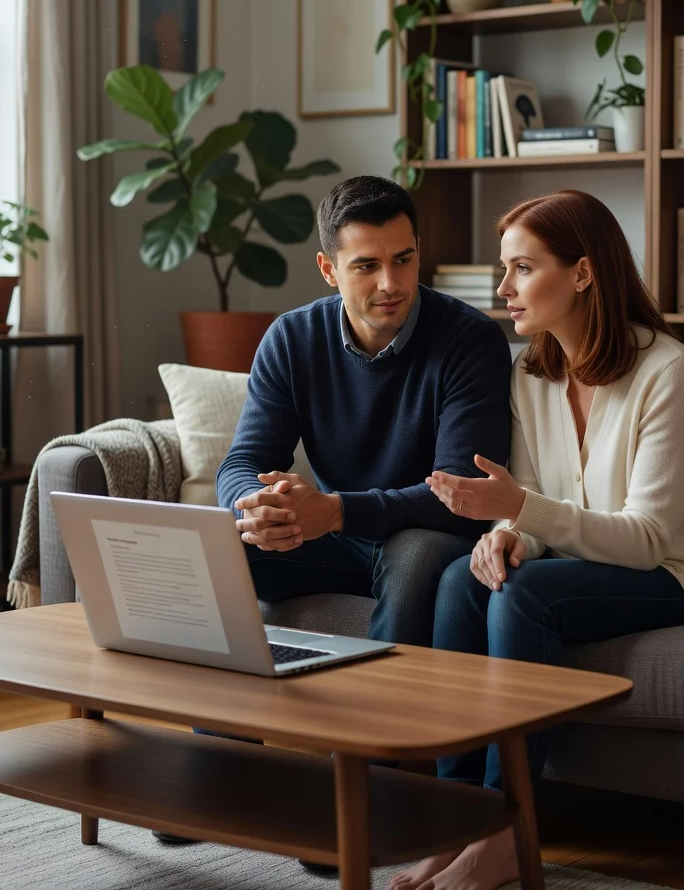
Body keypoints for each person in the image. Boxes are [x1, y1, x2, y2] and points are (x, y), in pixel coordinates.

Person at [392, 190, 684, 890]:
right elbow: (536, 501)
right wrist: (504, 535)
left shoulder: (667, 371)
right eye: (506, 270)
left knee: (525, 601)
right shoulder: (530, 375)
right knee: (459, 580)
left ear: (583, 273)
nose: (505, 289)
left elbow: (648, 538)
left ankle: (508, 829)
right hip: (586, 557)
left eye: (523, 268)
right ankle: (455, 819)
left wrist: (521, 513)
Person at [215, 174, 513, 650]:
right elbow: (242, 462)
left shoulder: (470, 341)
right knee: (220, 549)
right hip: (339, 538)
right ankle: (223, 723)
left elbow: (462, 491)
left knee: (414, 554)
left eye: (403, 260)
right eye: (366, 266)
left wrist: (335, 511)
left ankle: (383, 722)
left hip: (428, 533)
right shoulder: (292, 339)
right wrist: (257, 507)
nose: (390, 284)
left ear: (418, 248)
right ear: (328, 269)